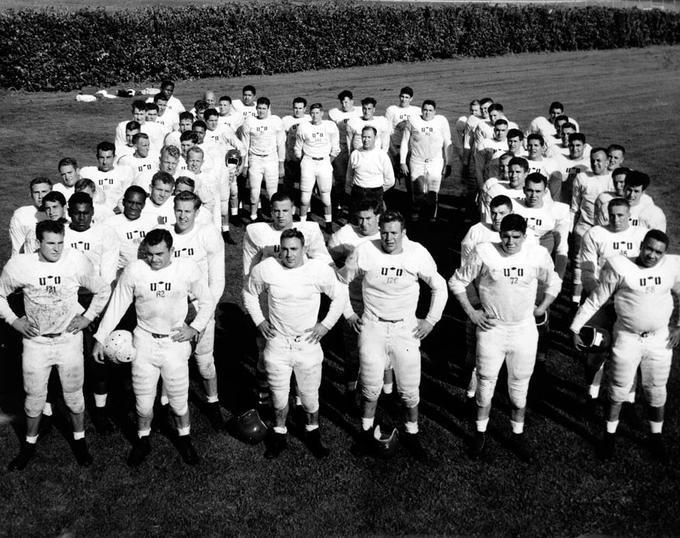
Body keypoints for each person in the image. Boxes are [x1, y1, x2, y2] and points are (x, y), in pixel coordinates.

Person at [93, 228, 214, 466]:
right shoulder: (135, 271)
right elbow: (117, 305)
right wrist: (100, 337)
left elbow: (207, 301)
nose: (154, 259)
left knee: (179, 401)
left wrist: (195, 328)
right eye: (149, 254)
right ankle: (142, 440)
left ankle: (185, 440)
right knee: (144, 402)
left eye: (159, 254)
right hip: (145, 341)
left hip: (174, 343)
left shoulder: (186, 269)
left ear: (172, 251)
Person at [0, 220, 111, 470]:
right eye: (50, 243)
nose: (56, 249)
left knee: (74, 396)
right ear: (38, 243)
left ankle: (80, 441)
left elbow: (102, 290)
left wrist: (88, 317)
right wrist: (14, 320)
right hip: (36, 342)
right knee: (34, 397)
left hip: (67, 339)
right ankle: (29, 445)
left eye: (61, 242)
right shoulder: (21, 265)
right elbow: (0, 294)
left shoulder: (75, 260)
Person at [450, 214, 561, 461]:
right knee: (485, 384)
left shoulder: (537, 254)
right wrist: (472, 312)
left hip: (523, 329)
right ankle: (480, 435)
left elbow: (555, 282)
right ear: (499, 234)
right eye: (505, 236)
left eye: (515, 237)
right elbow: (457, 282)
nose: (510, 242)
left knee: (519, 386)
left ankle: (517, 435)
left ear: (525, 235)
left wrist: (542, 308)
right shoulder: (484, 252)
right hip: (493, 330)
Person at [338, 211, 447, 463]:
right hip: (373, 328)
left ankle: (412, 434)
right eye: (384, 232)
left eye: (394, 233)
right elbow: (341, 281)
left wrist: (431, 320)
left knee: (409, 390)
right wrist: (349, 314)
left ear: (403, 233)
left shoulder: (417, 252)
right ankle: (365, 435)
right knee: (370, 388)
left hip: (404, 330)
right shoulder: (365, 250)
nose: (388, 238)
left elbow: (439, 286)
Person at [570, 230, 680, 462]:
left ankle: (656, 437)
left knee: (656, 388)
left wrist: (679, 326)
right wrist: (575, 327)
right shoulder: (620, 267)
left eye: (658, 252)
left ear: (664, 253)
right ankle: (609, 437)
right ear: (641, 245)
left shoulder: (671, 267)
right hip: (627, 337)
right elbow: (596, 299)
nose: (652, 255)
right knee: (618, 388)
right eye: (648, 249)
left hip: (659, 339)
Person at [244, 228, 347, 458]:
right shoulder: (267, 268)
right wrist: (260, 320)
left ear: (304, 249)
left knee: (310, 398)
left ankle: (313, 434)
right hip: (278, 344)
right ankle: (279, 434)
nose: (289, 254)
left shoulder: (318, 270)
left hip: (307, 344)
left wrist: (326, 325)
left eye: (294, 249)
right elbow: (248, 293)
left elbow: (340, 296)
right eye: (285, 249)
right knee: (278, 396)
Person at [242, 191, 332, 407]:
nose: (281, 215)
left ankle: (300, 395)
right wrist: (255, 311)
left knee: (302, 345)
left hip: (300, 293)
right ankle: (265, 390)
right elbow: (248, 269)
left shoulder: (308, 230)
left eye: (285, 210)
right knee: (266, 348)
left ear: (293, 209)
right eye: (276, 211)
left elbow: (323, 258)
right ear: (269, 211)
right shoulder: (257, 232)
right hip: (269, 294)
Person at [578, 198, 647, 405]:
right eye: (612, 215)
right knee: (595, 350)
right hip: (601, 300)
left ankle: (629, 400)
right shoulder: (595, 234)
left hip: (631, 302)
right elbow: (587, 271)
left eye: (621, 215)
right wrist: (600, 297)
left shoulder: (641, 235)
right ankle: (591, 393)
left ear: (629, 216)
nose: (616, 219)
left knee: (630, 352)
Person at [64, 192, 120, 433]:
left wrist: (91, 313)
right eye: (76, 212)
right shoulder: (61, 235)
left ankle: (100, 411)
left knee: (98, 359)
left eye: (86, 212)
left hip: (96, 300)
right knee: (66, 358)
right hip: (67, 301)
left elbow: (106, 278)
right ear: (69, 212)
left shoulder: (104, 234)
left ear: (93, 213)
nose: (81, 217)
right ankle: (53, 410)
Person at [169, 192, 226, 429]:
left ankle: (213, 403)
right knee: (171, 362)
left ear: (197, 211)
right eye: (179, 210)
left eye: (188, 211)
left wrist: (203, 317)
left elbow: (218, 280)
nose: (183, 216)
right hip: (171, 308)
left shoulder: (207, 234)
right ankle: (167, 407)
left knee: (204, 363)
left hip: (200, 306)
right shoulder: (166, 234)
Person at [328, 199, 382, 410]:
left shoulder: (387, 233)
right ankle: (351, 391)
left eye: (368, 218)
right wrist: (339, 278)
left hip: (380, 302)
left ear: (378, 217)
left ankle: (383, 394)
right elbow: (326, 258)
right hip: (354, 301)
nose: (364, 223)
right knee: (352, 352)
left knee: (382, 352)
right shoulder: (345, 234)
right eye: (359, 218)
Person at [570, 147, 613, 304]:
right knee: (579, 265)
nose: (595, 163)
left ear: (607, 161)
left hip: (606, 230)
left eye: (599, 160)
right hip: (585, 226)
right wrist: (570, 229)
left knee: (603, 266)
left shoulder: (613, 180)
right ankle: (575, 303)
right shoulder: (582, 177)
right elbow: (574, 206)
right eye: (593, 160)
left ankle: (600, 303)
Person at [399, 99, 452, 222]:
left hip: (435, 161)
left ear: (435, 111)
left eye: (430, 110)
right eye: (425, 110)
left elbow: (447, 142)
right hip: (417, 161)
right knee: (418, 191)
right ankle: (416, 214)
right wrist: (402, 162)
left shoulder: (441, 121)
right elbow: (404, 142)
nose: (427, 113)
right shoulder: (413, 121)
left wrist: (448, 163)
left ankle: (432, 216)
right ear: (421, 110)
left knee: (433, 191)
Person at [293, 102, 340, 229]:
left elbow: (336, 148)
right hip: (308, 161)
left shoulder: (330, 126)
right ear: (310, 114)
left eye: (317, 113)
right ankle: (302, 223)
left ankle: (328, 224)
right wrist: (305, 161)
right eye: (312, 113)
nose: (315, 116)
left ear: (322, 113)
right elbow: (297, 149)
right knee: (304, 196)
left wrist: (327, 161)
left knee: (325, 195)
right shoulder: (304, 126)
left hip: (324, 161)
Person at [240, 97, 285, 222]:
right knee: (254, 191)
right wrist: (245, 165)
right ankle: (253, 216)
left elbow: (280, 144)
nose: (261, 111)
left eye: (264, 109)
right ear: (256, 108)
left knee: (272, 191)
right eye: (259, 108)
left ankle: (274, 217)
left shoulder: (275, 121)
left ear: (269, 108)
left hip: (271, 159)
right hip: (255, 159)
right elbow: (245, 144)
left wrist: (281, 164)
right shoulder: (250, 121)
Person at [104, 186, 158, 275]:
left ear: (143, 205)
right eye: (130, 202)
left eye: (138, 203)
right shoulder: (110, 223)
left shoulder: (153, 220)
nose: (133, 207)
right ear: (124, 202)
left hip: (148, 272)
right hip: (123, 273)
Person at [346, 126, 395, 213]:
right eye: (364, 137)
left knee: (375, 221)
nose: (366, 140)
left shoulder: (382, 155)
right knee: (355, 220)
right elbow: (349, 175)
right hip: (358, 192)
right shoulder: (355, 154)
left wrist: (379, 190)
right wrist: (350, 190)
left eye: (369, 137)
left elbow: (390, 180)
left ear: (375, 138)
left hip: (375, 193)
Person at [328, 90, 362, 212]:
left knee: (356, 175)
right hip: (341, 147)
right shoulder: (335, 114)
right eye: (342, 102)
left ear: (352, 101)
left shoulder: (359, 111)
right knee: (340, 177)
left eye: (346, 102)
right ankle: (339, 202)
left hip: (355, 147)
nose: (344, 104)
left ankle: (353, 202)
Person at [80, 141, 133, 212]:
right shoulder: (88, 173)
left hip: (117, 212)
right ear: (97, 157)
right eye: (102, 157)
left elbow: (128, 194)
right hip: (96, 212)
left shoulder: (124, 172)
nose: (105, 162)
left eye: (108, 157)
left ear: (114, 157)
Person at [9, 177, 50, 256]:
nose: (40, 196)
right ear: (31, 194)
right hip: (30, 262)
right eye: (36, 192)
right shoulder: (21, 215)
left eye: (44, 191)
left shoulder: (59, 212)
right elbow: (17, 249)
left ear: (51, 192)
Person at [385, 86, 420, 172]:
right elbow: (386, 134)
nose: (404, 99)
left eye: (407, 97)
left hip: (411, 150)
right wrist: (395, 154)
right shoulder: (392, 110)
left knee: (411, 178)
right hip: (396, 148)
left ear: (411, 99)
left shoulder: (417, 111)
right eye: (402, 96)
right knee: (393, 177)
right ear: (399, 96)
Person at [281, 97, 311, 197]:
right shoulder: (286, 120)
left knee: (306, 185)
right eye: (295, 108)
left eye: (300, 108)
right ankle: (290, 205)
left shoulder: (310, 119)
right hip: (291, 158)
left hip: (305, 158)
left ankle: (307, 207)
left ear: (305, 109)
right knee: (288, 185)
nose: (297, 110)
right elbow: (282, 140)